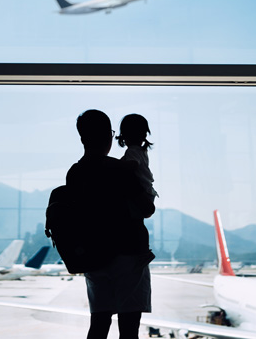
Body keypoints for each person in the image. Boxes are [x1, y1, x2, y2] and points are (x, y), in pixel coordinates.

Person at [66, 109, 155, 339]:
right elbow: (147, 209)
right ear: (108, 135)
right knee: (128, 328)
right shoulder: (120, 170)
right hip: (129, 256)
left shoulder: (75, 174)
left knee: (99, 324)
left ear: (82, 137)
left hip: (93, 256)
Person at [116, 114, 159, 201]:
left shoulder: (132, 151)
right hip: (148, 192)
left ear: (124, 135)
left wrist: (116, 165)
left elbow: (132, 165)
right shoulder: (142, 151)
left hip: (142, 193)